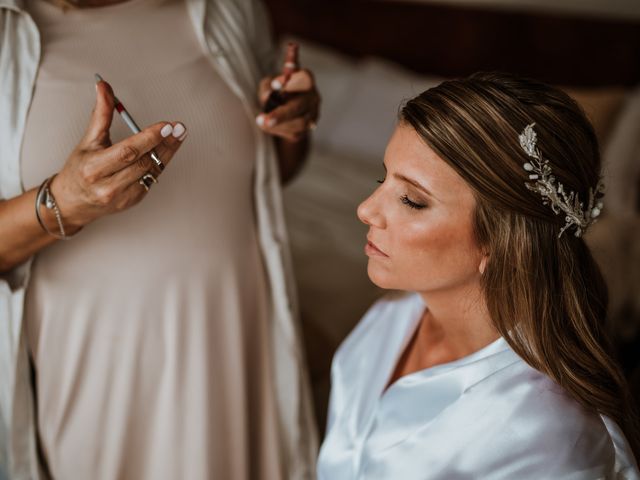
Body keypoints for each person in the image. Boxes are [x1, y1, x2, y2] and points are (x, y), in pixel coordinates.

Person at [0, 0, 319, 478]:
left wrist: (293, 125)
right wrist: (62, 202)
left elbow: (274, 172)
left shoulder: (228, 7)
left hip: (240, 363)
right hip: (97, 387)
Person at [317, 72, 640, 479]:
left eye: (412, 201)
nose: (366, 209)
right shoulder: (391, 316)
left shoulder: (544, 436)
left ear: (499, 242)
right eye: (383, 178)